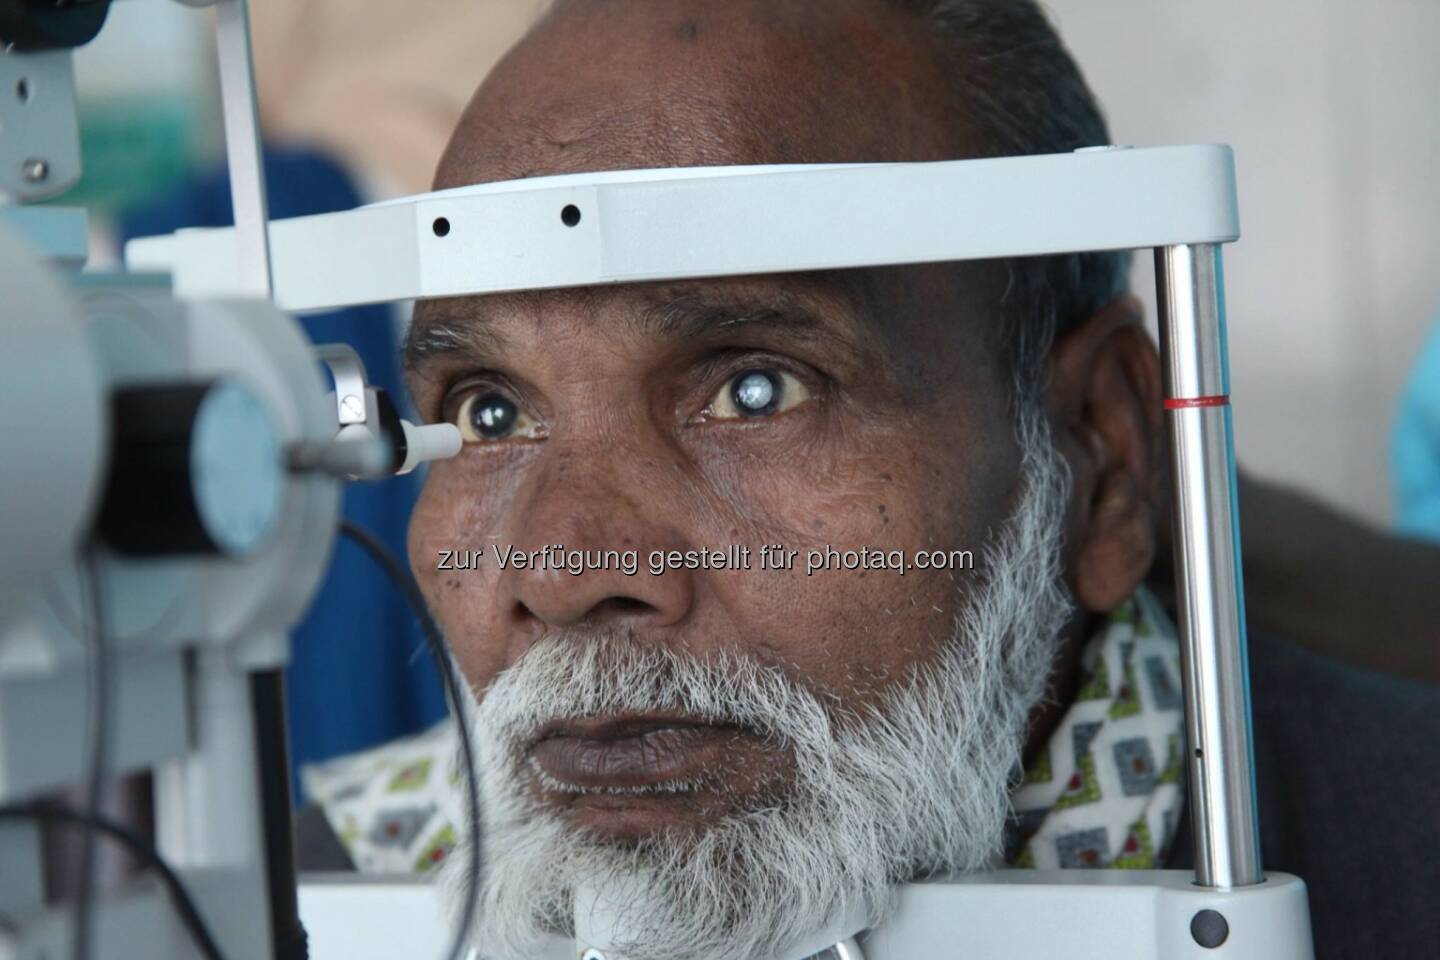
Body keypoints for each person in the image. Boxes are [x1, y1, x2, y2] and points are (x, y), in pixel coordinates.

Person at [301, 2, 1440, 958]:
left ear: (1102, 452)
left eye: (758, 390)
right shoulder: (300, 896)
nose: (565, 576)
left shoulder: (1399, 857)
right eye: (490, 412)